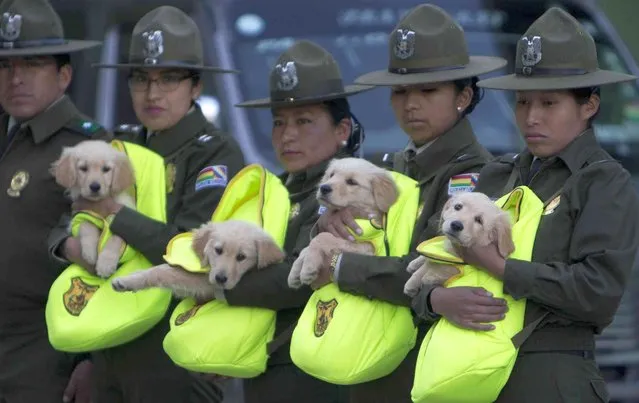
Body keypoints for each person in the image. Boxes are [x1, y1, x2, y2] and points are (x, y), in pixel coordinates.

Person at [422, 7, 639, 402]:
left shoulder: (603, 182)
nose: (530, 118)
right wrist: (435, 299)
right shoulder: (494, 175)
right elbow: (425, 256)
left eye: (548, 103)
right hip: (465, 374)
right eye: (523, 103)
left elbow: (597, 294)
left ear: (589, 105)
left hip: (550, 376)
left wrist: (496, 265)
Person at [311, 4, 508, 401]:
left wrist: (339, 264)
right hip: (366, 360)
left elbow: (424, 263)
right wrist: (324, 227)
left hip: (436, 369)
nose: (410, 104)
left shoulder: (483, 176)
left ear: (464, 95)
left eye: (428, 90)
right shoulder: (384, 168)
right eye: (400, 91)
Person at [49, 6, 245, 403]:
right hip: (108, 349)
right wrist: (89, 358)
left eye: (168, 80)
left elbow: (193, 250)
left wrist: (115, 217)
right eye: (141, 79)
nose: (152, 94)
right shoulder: (120, 147)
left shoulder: (215, 155)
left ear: (195, 87)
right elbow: (65, 219)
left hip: (173, 355)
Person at [223, 40, 371, 403]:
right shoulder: (267, 192)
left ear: (342, 130)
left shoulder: (356, 190)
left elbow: (299, 279)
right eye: (278, 122)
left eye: (304, 121)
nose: (287, 135)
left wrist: (223, 286)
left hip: (321, 373)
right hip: (262, 367)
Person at [0, 0, 107, 402]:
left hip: (45, 354)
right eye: (6, 66)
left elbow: (111, 261)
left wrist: (94, 358)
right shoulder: (7, 136)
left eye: (32, 64)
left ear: (64, 75)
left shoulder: (89, 149)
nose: (16, 79)